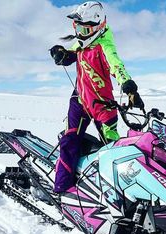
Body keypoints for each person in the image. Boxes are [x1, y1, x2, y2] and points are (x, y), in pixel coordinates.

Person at [50, 1, 144, 194]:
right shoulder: (85, 40)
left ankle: (117, 195)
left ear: (98, 27)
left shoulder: (105, 45)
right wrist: (61, 55)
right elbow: (73, 53)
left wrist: (129, 87)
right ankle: (61, 189)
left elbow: (117, 65)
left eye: (84, 30)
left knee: (112, 150)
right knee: (69, 142)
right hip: (80, 100)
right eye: (77, 28)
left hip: (103, 105)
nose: (79, 33)